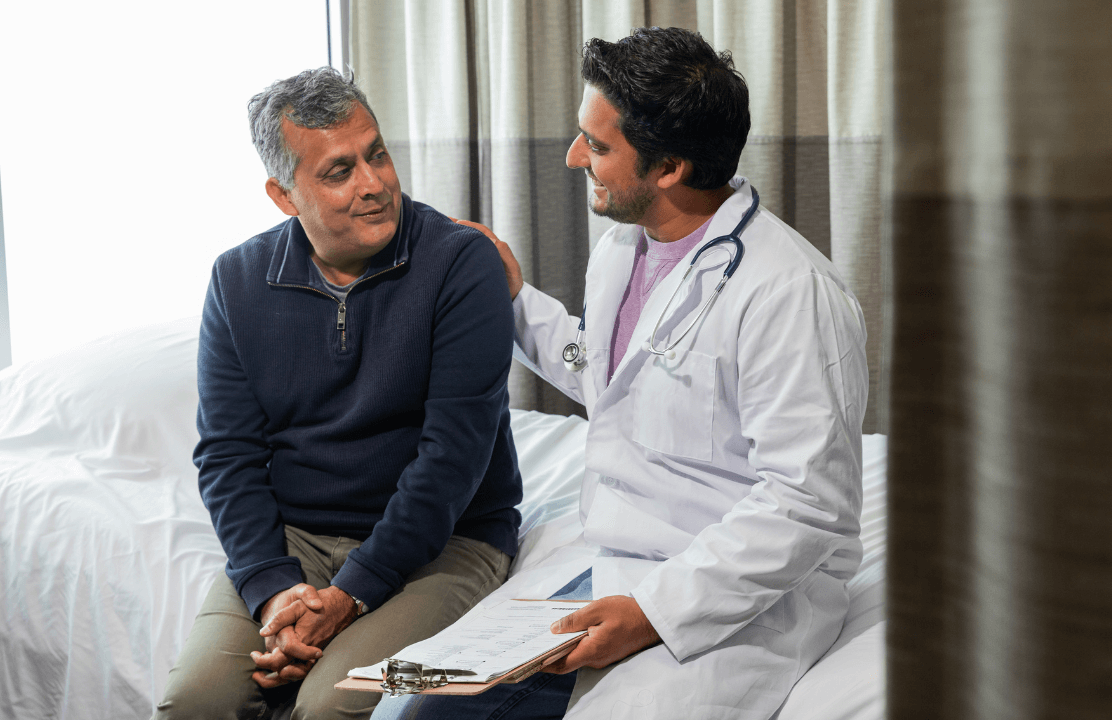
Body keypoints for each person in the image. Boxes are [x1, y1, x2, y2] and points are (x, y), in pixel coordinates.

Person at [372, 27, 867, 720]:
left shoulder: (789, 292)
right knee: (410, 708)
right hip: (607, 561)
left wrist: (653, 612)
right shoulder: (622, 251)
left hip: (728, 592)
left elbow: (806, 502)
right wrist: (513, 299)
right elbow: (609, 378)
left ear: (668, 168)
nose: (576, 157)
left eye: (598, 146)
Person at [154, 67, 523, 720]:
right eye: (339, 170)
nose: (374, 184)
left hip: (448, 543)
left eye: (376, 154)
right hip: (296, 540)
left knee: (331, 707)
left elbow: (453, 458)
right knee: (194, 702)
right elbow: (227, 456)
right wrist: (275, 593)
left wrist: (348, 597)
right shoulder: (237, 280)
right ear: (284, 194)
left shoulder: (462, 263)